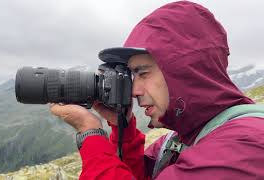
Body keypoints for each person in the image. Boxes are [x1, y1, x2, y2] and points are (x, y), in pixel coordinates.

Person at [50, 1, 264, 179]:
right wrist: (122, 128)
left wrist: (90, 132)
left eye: (143, 73)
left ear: (185, 72)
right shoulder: (179, 140)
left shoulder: (243, 148)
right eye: (132, 76)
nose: (134, 90)